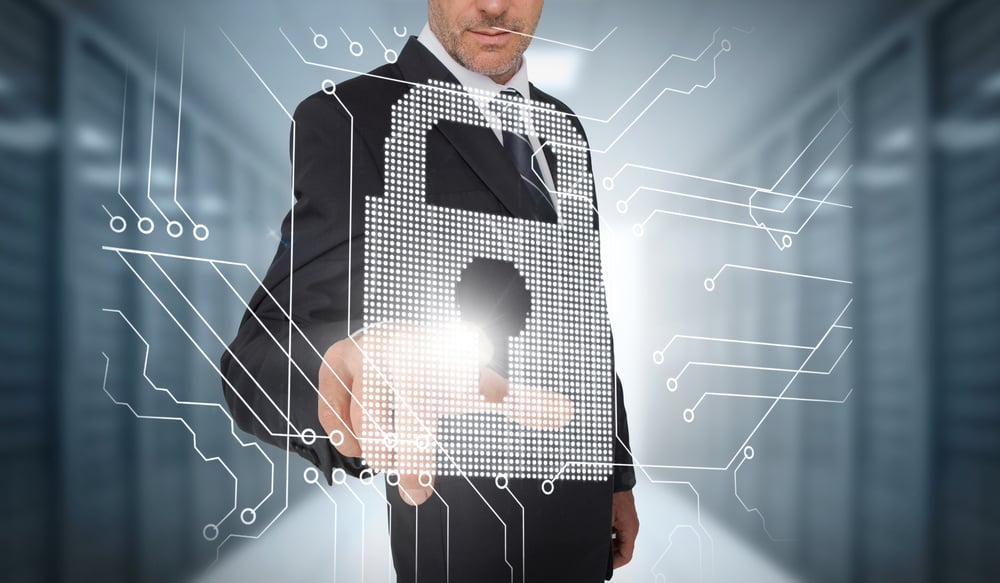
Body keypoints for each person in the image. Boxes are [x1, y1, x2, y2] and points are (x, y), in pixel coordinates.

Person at [221, 1, 638, 580]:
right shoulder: (356, 117)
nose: (494, 5)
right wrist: (341, 376)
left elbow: (582, 316)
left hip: (578, 521)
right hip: (461, 532)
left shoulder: (562, 129)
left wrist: (615, 474)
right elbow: (260, 359)